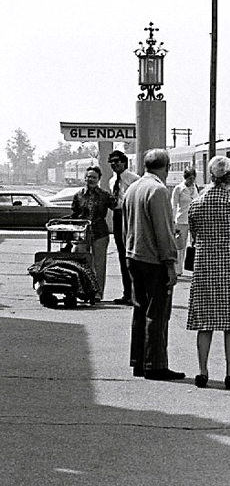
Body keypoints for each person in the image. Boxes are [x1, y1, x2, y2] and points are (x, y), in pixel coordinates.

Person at [186, 155, 230, 390]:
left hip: (204, 267)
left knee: (205, 323)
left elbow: (194, 236)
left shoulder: (197, 203)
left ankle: (203, 372)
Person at [123, 148, 184, 381]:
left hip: (133, 256)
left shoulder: (133, 188)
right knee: (157, 313)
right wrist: (170, 263)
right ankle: (155, 365)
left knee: (140, 310)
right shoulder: (158, 190)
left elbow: (124, 226)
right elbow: (163, 230)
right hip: (153, 260)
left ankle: (139, 361)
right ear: (166, 167)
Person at [70, 165, 115, 302]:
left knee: (99, 266)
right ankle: (82, 291)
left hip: (100, 233)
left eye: (94, 177)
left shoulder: (105, 195)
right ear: (84, 178)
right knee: (81, 263)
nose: (91, 179)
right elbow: (74, 214)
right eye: (89, 176)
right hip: (82, 234)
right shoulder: (78, 195)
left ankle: (97, 294)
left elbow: (118, 206)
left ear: (99, 179)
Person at [109, 150, 140, 305]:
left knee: (131, 254)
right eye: (111, 162)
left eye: (117, 161)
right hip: (117, 215)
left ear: (124, 162)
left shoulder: (134, 180)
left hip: (129, 215)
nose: (114, 165)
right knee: (122, 255)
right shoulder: (112, 180)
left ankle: (136, 293)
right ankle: (126, 292)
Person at [171, 166, 199, 276]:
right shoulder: (178, 188)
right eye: (190, 178)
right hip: (181, 220)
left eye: (193, 178)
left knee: (195, 244)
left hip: (194, 221)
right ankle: (177, 269)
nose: (191, 181)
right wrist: (172, 220)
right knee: (180, 245)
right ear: (185, 178)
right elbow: (173, 205)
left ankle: (194, 268)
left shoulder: (195, 188)